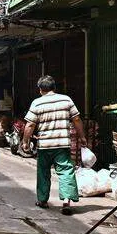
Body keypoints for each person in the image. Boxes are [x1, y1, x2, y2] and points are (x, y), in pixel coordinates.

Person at [22, 75, 86, 216]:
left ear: (40, 89)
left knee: (43, 172)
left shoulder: (37, 103)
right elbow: (76, 119)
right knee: (66, 171)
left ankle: (43, 200)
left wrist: (25, 142)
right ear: (54, 87)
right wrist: (82, 137)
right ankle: (66, 201)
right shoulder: (66, 100)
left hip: (44, 145)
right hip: (62, 144)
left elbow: (30, 124)